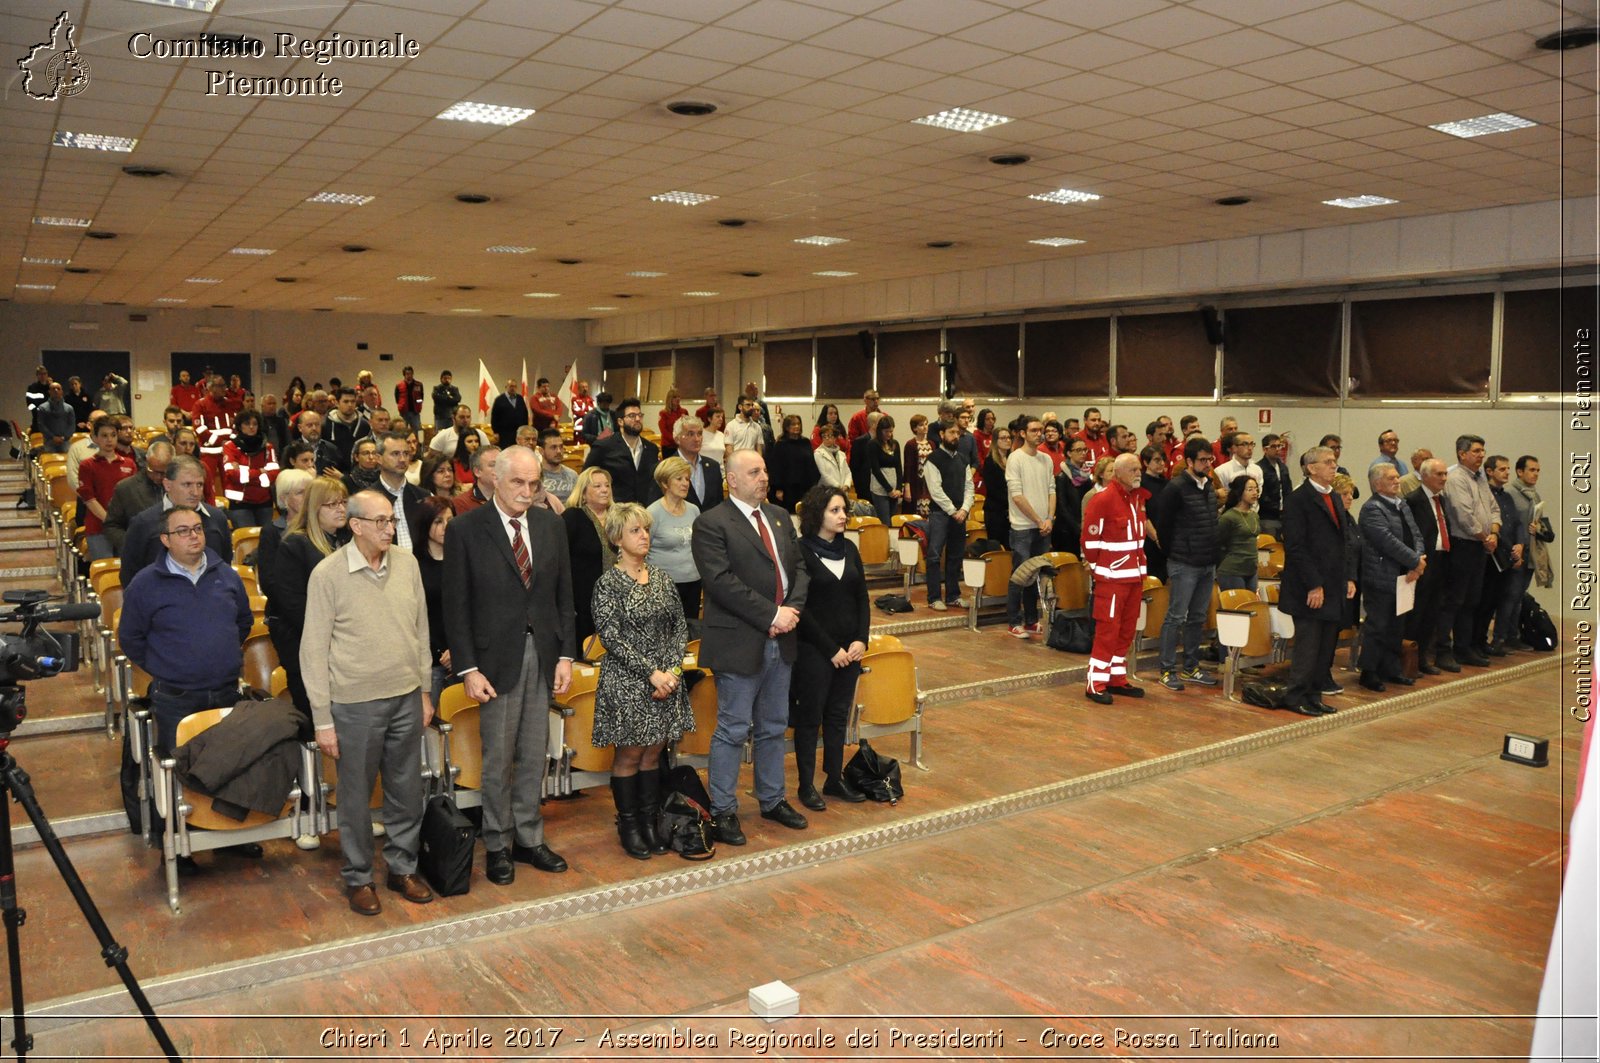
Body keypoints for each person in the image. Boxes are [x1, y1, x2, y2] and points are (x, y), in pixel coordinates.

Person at [444, 446, 575, 884]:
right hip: (492, 661)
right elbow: (455, 606)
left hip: (542, 655)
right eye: (518, 482)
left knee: (534, 754)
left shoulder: (550, 524)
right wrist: (467, 668)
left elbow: (563, 597)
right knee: (498, 758)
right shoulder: (466, 529)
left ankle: (529, 838)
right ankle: (497, 842)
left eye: (534, 483)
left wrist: (564, 654)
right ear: (494, 480)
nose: (527, 491)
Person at [302, 490, 436, 915]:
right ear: (355, 525)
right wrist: (322, 719)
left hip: (405, 698)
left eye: (391, 521)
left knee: (405, 791)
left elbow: (421, 631)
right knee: (356, 797)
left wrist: (425, 691)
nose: (389, 529)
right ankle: (359, 877)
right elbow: (313, 651)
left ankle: (403, 868)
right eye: (379, 522)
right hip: (354, 704)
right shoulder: (327, 574)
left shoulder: (408, 564)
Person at [691, 450, 810, 845]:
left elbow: (799, 569)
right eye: (754, 471)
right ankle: (723, 810)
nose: (764, 477)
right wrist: (772, 615)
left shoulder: (778, 517)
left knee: (774, 726)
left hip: (783, 637)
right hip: (741, 639)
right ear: (733, 480)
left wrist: (791, 610)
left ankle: (772, 799)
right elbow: (721, 581)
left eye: (765, 470)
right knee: (733, 728)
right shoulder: (711, 523)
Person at [591, 502, 693, 858]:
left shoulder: (663, 578)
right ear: (617, 538)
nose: (644, 536)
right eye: (635, 530)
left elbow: (680, 626)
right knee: (630, 755)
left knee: (654, 753)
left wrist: (671, 673)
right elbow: (611, 637)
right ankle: (630, 823)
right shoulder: (609, 584)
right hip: (629, 683)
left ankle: (650, 822)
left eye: (646, 529)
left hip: (665, 682)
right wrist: (652, 673)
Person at [119, 505, 252, 752]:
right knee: (180, 769)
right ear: (165, 540)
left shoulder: (226, 575)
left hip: (226, 690)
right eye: (183, 531)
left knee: (228, 765)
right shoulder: (145, 583)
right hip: (175, 696)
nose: (193, 535)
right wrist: (165, 665)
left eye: (197, 529)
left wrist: (224, 652)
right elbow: (130, 637)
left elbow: (243, 621)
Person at [790, 484, 869, 809]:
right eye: (834, 510)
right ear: (817, 514)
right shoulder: (800, 551)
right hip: (814, 650)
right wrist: (830, 649)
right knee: (810, 719)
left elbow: (862, 598)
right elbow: (800, 608)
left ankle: (834, 779)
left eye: (843, 510)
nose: (842, 516)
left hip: (849, 650)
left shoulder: (850, 548)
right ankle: (806, 785)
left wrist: (860, 639)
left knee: (838, 716)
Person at [266, 477, 349, 728]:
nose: (341, 509)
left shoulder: (344, 540)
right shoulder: (295, 543)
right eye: (332, 504)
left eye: (343, 502)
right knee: (318, 721)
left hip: (339, 644)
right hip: (303, 644)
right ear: (314, 508)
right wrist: (335, 632)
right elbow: (293, 604)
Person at [1280, 446, 1354, 716]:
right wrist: (1314, 584)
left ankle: (1314, 694)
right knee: (1308, 645)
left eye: (1334, 461)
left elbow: (1343, 542)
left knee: (1325, 646)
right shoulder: (1298, 499)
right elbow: (1296, 547)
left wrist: (1348, 577)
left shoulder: (1334, 497)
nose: (1334, 466)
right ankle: (1296, 695)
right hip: (1309, 586)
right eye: (1328, 462)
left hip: (1333, 584)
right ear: (1312, 468)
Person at [1080, 453, 1150, 704]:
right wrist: (1103, 570)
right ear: (1117, 473)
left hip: (1134, 578)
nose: (1138, 473)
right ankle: (1095, 683)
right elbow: (1089, 541)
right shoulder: (1103, 500)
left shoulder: (1138, 499)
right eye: (1132, 469)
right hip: (1111, 581)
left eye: (1139, 469)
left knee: (1126, 630)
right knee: (1107, 631)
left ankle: (1116, 678)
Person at [1152, 437, 1220, 690]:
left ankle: (1191, 667)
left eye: (1209, 459)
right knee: (1176, 616)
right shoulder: (1176, 488)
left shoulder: (1208, 486)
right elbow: (1164, 526)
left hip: (1207, 561)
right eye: (1202, 460)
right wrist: (1175, 553)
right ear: (1188, 461)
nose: (1207, 464)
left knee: (1198, 617)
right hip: (1184, 562)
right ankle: (1167, 669)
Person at [1357, 464, 1425, 691]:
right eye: (1392, 478)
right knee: (1378, 625)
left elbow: (1415, 534)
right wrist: (1415, 561)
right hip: (1380, 575)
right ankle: (1369, 671)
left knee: (1397, 626)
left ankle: (1391, 668)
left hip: (1404, 576)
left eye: (1397, 477)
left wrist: (1418, 561)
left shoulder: (1402, 505)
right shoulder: (1372, 509)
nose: (1398, 481)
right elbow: (1386, 541)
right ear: (1377, 484)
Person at [1441, 434, 1498, 668]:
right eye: (1476, 451)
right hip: (1463, 545)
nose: (1481, 455)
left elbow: (1494, 508)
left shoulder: (1480, 478)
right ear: (1462, 454)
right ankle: (1444, 650)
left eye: (1483, 451)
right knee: (1454, 600)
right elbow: (1464, 516)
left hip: (1480, 546)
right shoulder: (1456, 478)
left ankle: (1464, 648)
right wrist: (1486, 537)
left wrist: (1494, 532)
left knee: (1472, 600)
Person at [1404, 458, 1458, 674]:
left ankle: (1424, 658)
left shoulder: (1441, 500)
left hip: (1441, 560)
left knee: (1432, 612)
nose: (1444, 478)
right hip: (1422, 561)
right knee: (1417, 612)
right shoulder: (1413, 500)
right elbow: (1411, 533)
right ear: (1424, 476)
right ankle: (1410, 660)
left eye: (1445, 474)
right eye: (1439, 474)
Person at [1005, 417, 1055, 639]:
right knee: (1020, 575)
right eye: (1034, 430)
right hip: (1023, 527)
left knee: (1035, 575)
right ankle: (1014, 621)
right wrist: (1037, 519)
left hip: (1043, 526)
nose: (1039, 434)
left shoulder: (1046, 459)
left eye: (1041, 430)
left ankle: (1032, 620)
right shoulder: (1015, 458)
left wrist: (1049, 518)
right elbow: (1017, 496)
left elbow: (1051, 490)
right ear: (1023, 433)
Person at [1477, 454, 1529, 656]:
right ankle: (1478, 641)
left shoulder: (1506, 496)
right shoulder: (1485, 495)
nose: (1507, 472)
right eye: (1502, 469)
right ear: (1489, 471)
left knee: (1497, 600)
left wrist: (1520, 544)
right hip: (1492, 555)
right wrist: (1510, 548)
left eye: (1508, 469)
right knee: (1484, 601)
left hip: (1508, 553)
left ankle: (1491, 641)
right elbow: (1492, 526)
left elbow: (1516, 524)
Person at [924, 418, 973, 611]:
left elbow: (969, 487)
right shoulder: (933, 459)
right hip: (940, 514)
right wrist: (953, 511)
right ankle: (934, 597)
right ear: (942, 435)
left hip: (960, 515)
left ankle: (953, 595)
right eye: (951, 433)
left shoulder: (962, 458)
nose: (955, 436)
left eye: (957, 433)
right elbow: (935, 490)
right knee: (934, 555)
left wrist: (964, 509)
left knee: (955, 555)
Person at [564, 466, 614, 647]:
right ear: (583, 493)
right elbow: (561, 560)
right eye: (597, 486)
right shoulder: (572, 517)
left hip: (618, 600)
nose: (604, 490)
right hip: (584, 601)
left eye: (607, 485)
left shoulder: (619, 517)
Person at [646, 457, 702, 619]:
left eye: (687, 479)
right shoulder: (653, 512)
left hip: (693, 581)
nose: (685, 483)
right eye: (679, 479)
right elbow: (642, 550)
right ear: (665, 483)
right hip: (664, 586)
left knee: (690, 632)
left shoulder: (694, 510)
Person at [412, 495, 454, 704]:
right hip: (429, 661)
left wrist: (457, 649)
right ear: (425, 525)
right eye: (438, 521)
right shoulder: (412, 565)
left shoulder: (462, 560)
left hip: (462, 658)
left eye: (450, 520)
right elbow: (415, 618)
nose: (446, 526)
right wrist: (440, 651)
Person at [77, 418, 137, 560]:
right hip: (98, 528)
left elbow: (133, 496)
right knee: (105, 572)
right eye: (104, 435)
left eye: (113, 435)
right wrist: (110, 520)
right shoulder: (87, 465)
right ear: (94, 438)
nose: (109, 440)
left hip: (124, 528)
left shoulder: (130, 463)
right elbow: (89, 499)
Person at [583, 397, 659, 504]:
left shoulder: (651, 449)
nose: (637, 419)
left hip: (644, 510)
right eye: (632, 416)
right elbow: (585, 478)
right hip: (614, 510)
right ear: (620, 421)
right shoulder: (603, 447)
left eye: (640, 415)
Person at [105, 441, 173, 556]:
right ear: (146, 461)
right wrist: (131, 544)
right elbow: (112, 526)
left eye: (163, 473)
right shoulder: (126, 488)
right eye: (153, 471)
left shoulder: (182, 487)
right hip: (138, 556)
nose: (158, 477)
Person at [221, 410, 280, 528]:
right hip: (240, 504)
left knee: (266, 541)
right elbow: (232, 474)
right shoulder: (230, 446)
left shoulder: (268, 447)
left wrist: (245, 473)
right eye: (247, 424)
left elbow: (274, 474)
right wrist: (260, 472)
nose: (252, 427)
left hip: (264, 502)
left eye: (255, 424)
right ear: (240, 426)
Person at [1215, 475, 1261, 593]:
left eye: (1256, 489)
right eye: (1250, 489)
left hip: (1251, 570)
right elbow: (1217, 542)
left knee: (1252, 607)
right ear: (1240, 492)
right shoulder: (1229, 517)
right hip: (1232, 570)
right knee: (1239, 608)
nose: (1254, 492)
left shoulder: (1254, 515)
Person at [767, 414, 819, 512]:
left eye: (798, 424)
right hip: (787, 489)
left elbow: (811, 464)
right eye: (793, 424)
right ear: (786, 427)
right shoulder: (781, 444)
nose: (797, 426)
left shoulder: (805, 442)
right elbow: (776, 468)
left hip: (805, 487)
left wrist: (814, 484)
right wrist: (778, 488)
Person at [1053, 437, 1093, 553]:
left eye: (1085, 450)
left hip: (1083, 525)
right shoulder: (1062, 477)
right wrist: (1078, 527)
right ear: (1069, 453)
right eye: (1078, 450)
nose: (1083, 453)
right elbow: (1062, 508)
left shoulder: (1086, 475)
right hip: (1066, 530)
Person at [672, 417, 722, 509]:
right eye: (690, 434)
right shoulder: (667, 468)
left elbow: (719, 503)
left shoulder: (713, 467)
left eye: (699, 434)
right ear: (677, 439)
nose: (697, 439)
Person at [863, 414, 904, 524]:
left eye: (891, 431)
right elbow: (875, 470)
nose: (889, 434)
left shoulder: (895, 444)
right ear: (880, 430)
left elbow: (899, 467)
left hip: (895, 489)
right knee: (885, 521)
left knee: (893, 521)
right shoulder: (873, 444)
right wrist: (889, 489)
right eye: (886, 432)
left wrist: (899, 488)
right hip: (880, 489)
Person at [980, 425, 1012, 546]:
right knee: (997, 545)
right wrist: (1012, 501)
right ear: (995, 441)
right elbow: (992, 489)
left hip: (1010, 510)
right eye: (1003, 438)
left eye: (1009, 437)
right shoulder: (990, 461)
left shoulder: (1012, 459)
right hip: (995, 511)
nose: (1007, 440)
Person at [1257, 433, 1292, 538]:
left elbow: (1288, 490)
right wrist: (1274, 507)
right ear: (1265, 449)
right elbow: (1261, 494)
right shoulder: (1259, 468)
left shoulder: (1283, 467)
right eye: (1273, 446)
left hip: (1284, 515)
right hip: (1267, 516)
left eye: (1279, 446)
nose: (1277, 449)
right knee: (1270, 546)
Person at [453, 444, 500, 514]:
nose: (500, 468)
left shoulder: (512, 497)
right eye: (492, 465)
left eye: (502, 463)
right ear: (477, 472)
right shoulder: (462, 503)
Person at [536, 428, 576, 510]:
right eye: (553, 447)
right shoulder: (535, 475)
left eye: (561, 447)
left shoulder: (573, 475)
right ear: (541, 451)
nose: (559, 451)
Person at [902, 413, 933, 517]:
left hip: (930, 484)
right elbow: (908, 468)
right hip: (916, 484)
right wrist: (907, 489)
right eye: (921, 425)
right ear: (915, 428)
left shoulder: (931, 444)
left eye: (926, 424)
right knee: (916, 513)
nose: (925, 427)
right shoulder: (911, 444)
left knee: (929, 513)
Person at [36, 382, 74, 454]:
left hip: (65, 442)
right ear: (49, 392)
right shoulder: (42, 408)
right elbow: (41, 425)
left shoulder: (69, 408)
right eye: (53, 389)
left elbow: (72, 425)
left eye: (58, 389)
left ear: (62, 391)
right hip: (49, 441)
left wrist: (64, 437)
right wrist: (53, 437)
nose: (56, 390)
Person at [490, 379, 529, 448]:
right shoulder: (499, 400)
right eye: (511, 386)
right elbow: (494, 417)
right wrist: (495, 432)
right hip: (504, 433)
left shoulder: (520, 399)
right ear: (506, 387)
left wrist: (525, 429)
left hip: (518, 433)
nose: (512, 388)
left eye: (514, 386)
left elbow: (525, 414)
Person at [813, 424, 851, 490]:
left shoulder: (841, 454)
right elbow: (824, 475)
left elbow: (848, 472)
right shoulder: (818, 453)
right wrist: (838, 487)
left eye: (829, 436)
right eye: (824, 436)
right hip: (827, 490)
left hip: (843, 490)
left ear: (835, 437)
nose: (827, 438)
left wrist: (846, 485)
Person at [657, 387, 686, 458]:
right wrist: (676, 440)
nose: (678, 399)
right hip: (668, 446)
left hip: (681, 446)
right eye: (675, 397)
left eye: (679, 397)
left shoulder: (684, 412)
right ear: (670, 399)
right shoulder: (663, 413)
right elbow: (664, 431)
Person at [394, 366, 424, 433]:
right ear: (404, 375)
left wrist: (418, 403)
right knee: (402, 431)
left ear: (412, 374)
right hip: (404, 412)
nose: (409, 375)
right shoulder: (399, 385)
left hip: (415, 412)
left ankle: (419, 443)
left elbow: (421, 398)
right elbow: (397, 398)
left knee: (418, 430)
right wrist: (402, 405)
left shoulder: (419, 385)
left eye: (410, 373)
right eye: (407, 374)